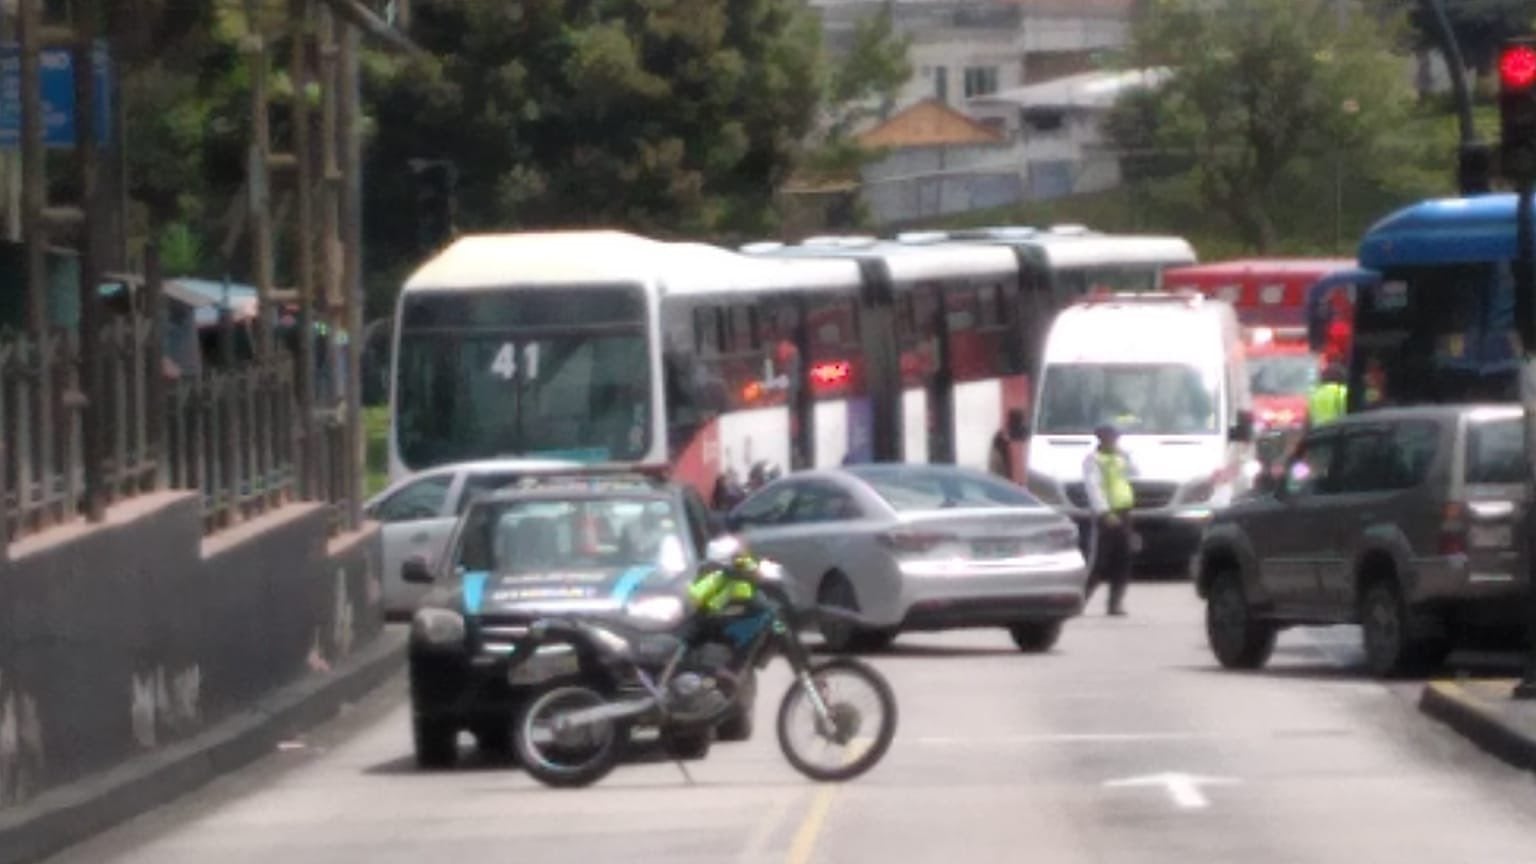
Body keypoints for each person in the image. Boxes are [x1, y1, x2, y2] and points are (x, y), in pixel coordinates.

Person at [1082, 423, 1135, 616]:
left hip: (1124, 510)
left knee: (1124, 558)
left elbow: (1135, 472)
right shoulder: (1094, 459)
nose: (1114, 441)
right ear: (1101, 439)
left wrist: (1125, 456)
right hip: (1107, 514)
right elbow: (1093, 488)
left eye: (1116, 438)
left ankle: (1115, 603)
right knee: (1101, 560)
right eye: (1110, 438)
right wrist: (1104, 512)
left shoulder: (1120, 457)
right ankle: (1081, 599)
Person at [1307, 362, 1348, 429]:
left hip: (1318, 433)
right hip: (1337, 431)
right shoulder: (1343, 391)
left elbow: (1309, 420)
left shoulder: (1315, 394)